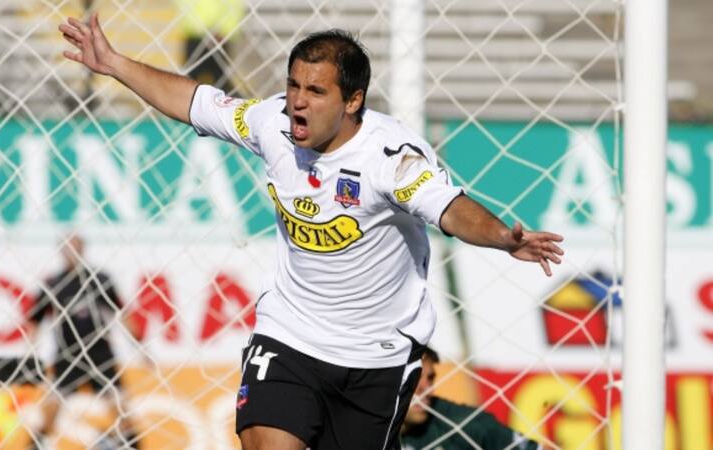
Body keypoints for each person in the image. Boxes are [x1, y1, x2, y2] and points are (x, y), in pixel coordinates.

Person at [58, 14, 564, 450]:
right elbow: (196, 101)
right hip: (291, 337)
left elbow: (451, 209)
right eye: (294, 85)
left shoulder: (392, 159)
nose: (297, 101)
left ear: (352, 101)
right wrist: (115, 64)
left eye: (315, 91)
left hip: (377, 355)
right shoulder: (270, 122)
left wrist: (504, 237)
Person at [30, 234, 138, 447]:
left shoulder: (100, 279)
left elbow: (120, 311)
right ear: (61, 251)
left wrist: (137, 340)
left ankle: (134, 445)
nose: (72, 251)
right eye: (67, 247)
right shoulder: (53, 283)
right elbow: (35, 319)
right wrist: (30, 353)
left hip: (100, 353)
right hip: (66, 355)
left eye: (76, 246)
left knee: (120, 407)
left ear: (83, 249)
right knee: (51, 407)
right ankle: (35, 445)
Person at [401, 347, 543, 450]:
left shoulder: (463, 423)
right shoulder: (379, 426)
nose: (426, 388)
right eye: (415, 376)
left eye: (430, 378)